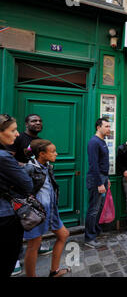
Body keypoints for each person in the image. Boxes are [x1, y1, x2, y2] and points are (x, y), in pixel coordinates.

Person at [23, 139, 70, 277]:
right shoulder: (30, 168)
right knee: (34, 245)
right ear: (42, 154)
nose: (56, 153)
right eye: (53, 151)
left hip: (51, 209)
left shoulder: (47, 166)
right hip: (36, 213)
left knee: (64, 234)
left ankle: (53, 271)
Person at [0, 114, 34, 277]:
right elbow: (27, 184)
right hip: (5, 213)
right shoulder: (4, 156)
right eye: (13, 130)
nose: (17, 134)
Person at [84, 118, 111, 248]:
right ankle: (89, 237)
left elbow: (103, 162)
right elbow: (93, 164)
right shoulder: (94, 142)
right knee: (93, 209)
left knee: (99, 207)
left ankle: (95, 230)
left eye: (109, 126)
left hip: (103, 177)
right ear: (98, 127)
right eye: (106, 126)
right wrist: (100, 183)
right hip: (96, 179)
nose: (108, 129)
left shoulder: (102, 141)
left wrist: (107, 178)